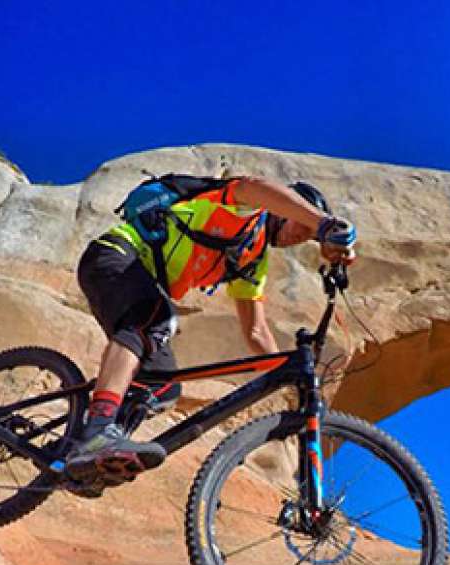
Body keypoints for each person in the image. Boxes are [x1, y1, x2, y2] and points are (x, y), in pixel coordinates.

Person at [64, 176, 357, 482]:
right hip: (117, 255)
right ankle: (98, 430)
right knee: (153, 320)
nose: (303, 236)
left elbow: (256, 330)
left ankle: (79, 458)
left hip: (144, 287)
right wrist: (324, 224)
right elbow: (251, 185)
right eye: (302, 225)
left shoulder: (253, 261)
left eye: (310, 236)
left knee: (162, 388)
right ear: (286, 208)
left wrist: (288, 374)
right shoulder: (243, 211)